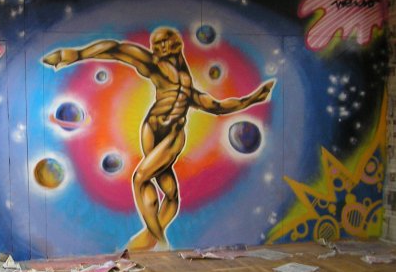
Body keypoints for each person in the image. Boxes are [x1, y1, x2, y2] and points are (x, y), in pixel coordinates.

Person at [43, 27, 275, 250]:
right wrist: (75, 54)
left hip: (173, 133)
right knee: (150, 182)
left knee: (162, 189)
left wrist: (253, 99)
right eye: (156, 43)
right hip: (152, 129)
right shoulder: (154, 66)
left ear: (176, 44)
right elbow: (117, 49)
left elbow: (217, 106)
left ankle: (154, 237)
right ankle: (156, 237)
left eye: (164, 41)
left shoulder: (187, 88)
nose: (159, 47)